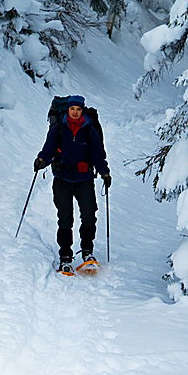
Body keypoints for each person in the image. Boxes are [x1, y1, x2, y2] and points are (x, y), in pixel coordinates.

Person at [34, 94, 111, 275]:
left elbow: (98, 154)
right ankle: (65, 257)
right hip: (62, 179)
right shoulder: (58, 128)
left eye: (78, 109)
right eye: (72, 109)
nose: (75, 112)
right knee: (65, 219)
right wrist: (41, 160)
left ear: (82, 110)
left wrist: (105, 172)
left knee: (89, 215)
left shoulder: (89, 129)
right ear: (68, 109)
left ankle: (87, 251)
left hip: (84, 179)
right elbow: (48, 149)